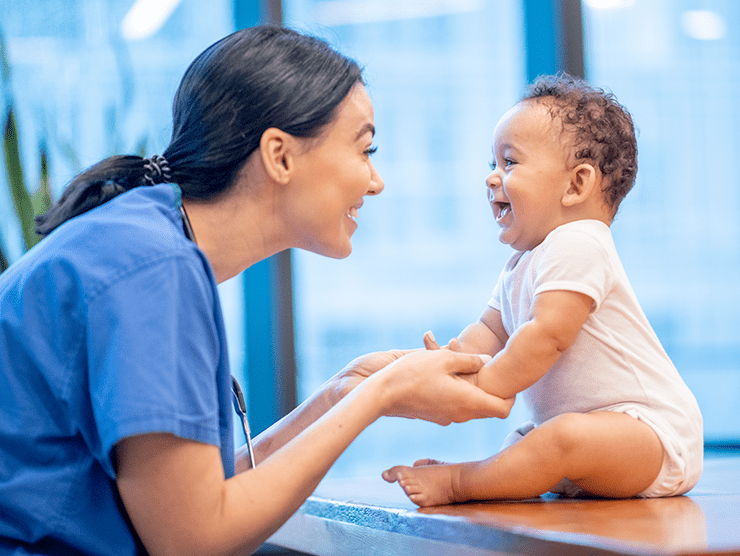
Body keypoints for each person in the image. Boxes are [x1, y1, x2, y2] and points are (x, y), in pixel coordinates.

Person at [0, 26, 514, 555]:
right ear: (280, 156)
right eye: (365, 149)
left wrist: (345, 390)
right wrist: (380, 395)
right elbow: (193, 540)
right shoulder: (152, 270)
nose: (376, 181)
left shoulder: (147, 243)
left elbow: (198, 497)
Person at [382, 73, 703, 506]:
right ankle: (484, 476)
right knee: (530, 443)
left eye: (509, 163)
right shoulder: (521, 264)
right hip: (593, 434)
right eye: (492, 164)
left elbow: (549, 335)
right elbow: (490, 331)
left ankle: (462, 482)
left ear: (576, 184)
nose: (492, 178)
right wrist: (454, 359)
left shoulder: (581, 241)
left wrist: (487, 382)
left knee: (560, 439)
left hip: (650, 433)